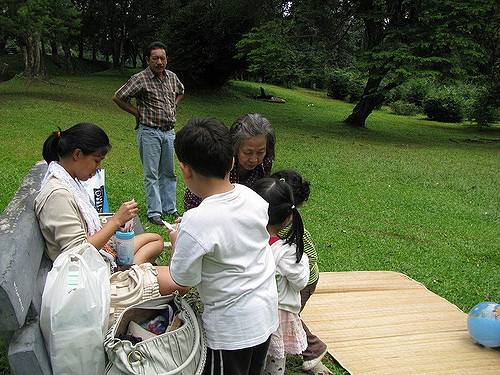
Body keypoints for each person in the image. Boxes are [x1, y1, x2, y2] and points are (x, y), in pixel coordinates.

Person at [168, 117, 279, 375]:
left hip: (231, 330)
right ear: (231, 160)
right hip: (264, 314)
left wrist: (177, 242)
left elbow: (183, 280)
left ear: (185, 169)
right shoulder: (254, 198)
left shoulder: (196, 222)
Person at [34, 123, 186, 296]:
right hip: (94, 277)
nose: (98, 168)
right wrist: (115, 221)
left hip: (103, 256)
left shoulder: (68, 182)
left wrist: (117, 224)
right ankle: (126, 275)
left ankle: (129, 269)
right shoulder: (57, 196)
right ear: (77, 154)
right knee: (180, 284)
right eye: (96, 161)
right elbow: (77, 253)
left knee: (155, 240)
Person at [112, 41, 184, 226]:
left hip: (169, 133)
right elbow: (118, 97)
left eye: (162, 58)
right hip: (149, 132)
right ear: (147, 60)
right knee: (151, 173)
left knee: (169, 172)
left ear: (166, 59)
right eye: (155, 58)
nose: (159, 62)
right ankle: (154, 212)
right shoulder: (140, 79)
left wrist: (174, 105)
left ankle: (170, 208)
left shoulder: (171, 77)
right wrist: (136, 113)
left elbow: (181, 91)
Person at [270, 170, 330, 374]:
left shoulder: (290, 230)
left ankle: (314, 350)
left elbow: (308, 260)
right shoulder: (280, 224)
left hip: (303, 281)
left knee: (287, 316)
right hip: (290, 279)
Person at [253, 177, 310, 375]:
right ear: (289, 216)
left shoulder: (246, 243)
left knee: (255, 359)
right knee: (276, 360)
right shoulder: (285, 251)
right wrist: (302, 259)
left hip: (253, 310)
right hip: (278, 313)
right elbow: (301, 281)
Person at [183, 113, 275, 210]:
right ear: (235, 147)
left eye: (260, 152)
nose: (254, 159)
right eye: (247, 152)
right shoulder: (220, 161)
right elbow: (194, 197)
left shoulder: (265, 163)